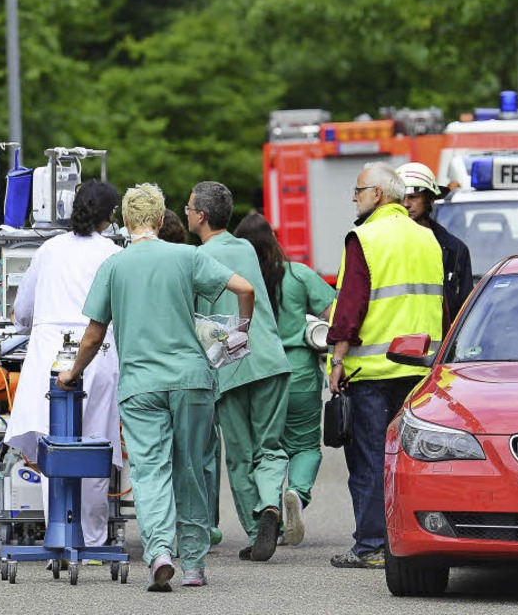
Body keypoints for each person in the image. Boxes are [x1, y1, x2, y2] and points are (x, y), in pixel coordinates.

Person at [59, 183, 255, 591]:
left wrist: (72, 372)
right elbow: (245, 288)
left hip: (140, 386)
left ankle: (160, 551)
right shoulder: (187, 256)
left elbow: (94, 336)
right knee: (192, 470)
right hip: (192, 382)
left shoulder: (114, 266)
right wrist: (241, 331)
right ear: (163, 218)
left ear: (127, 221)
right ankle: (196, 565)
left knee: (149, 471)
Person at [327, 162, 444, 568]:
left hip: (372, 371)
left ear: (378, 194)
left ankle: (372, 545)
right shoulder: (427, 239)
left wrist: (337, 359)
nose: (354, 199)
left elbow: (350, 307)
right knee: (408, 460)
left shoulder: (365, 237)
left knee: (369, 462)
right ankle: (408, 540)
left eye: (358, 191)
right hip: (419, 371)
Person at [4, 180, 123, 551]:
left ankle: (58, 529)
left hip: (50, 354)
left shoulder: (49, 249)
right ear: (109, 216)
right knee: (95, 442)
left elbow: (21, 311)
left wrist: (28, 324)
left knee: (51, 443)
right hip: (98, 351)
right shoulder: (112, 252)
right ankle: (92, 538)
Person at [187, 181, 291, 563]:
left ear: (200, 216)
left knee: (240, 455)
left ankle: (254, 531)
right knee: (270, 447)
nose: (186, 213)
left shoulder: (197, 259)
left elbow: (196, 319)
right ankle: (269, 505)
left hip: (229, 367)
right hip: (268, 358)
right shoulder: (246, 247)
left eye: (188, 208)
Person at [234, 212, 334, 547]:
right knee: (304, 446)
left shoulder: (238, 282)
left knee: (264, 450)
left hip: (257, 374)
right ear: (273, 240)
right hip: (301, 372)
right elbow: (333, 312)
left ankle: (269, 507)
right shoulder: (298, 275)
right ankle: (297, 493)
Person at [395, 162, 473, 323]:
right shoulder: (379, 243)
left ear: (430, 200)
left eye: (413, 197)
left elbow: (464, 308)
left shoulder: (455, 250)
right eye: (401, 198)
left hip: (438, 342)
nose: (406, 204)